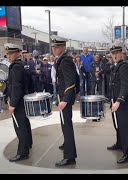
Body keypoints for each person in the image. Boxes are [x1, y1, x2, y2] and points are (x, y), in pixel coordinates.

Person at [51, 35, 77, 166]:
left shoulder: (65, 60)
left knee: (66, 127)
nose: (54, 49)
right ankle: (67, 146)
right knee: (65, 125)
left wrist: (66, 100)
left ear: (63, 47)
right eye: (53, 47)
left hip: (64, 99)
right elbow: (76, 77)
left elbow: (71, 81)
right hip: (62, 97)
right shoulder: (62, 59)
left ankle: (69, 157)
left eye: (56, 47)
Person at [4, 43, 33, 162]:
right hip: (23, 99)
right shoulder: (22, 65)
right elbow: (29, 83)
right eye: (7, 54)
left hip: (18, 101)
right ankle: (28, 144)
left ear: (17, 53)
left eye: (11, 53)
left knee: (20, 128)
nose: (8, 56)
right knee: (25, 124)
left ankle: (22, 153)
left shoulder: (15, 67)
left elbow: (16, 87)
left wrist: (13, 104)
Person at [107, 42, 128, 164]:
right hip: (115, 101)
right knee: (117, 125)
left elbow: (125, 85)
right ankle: (119, 144)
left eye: (116, 53)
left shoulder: (124, 66)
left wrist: (118, 101)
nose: (115, 55)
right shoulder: (115, 66)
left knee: (124, 127)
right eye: (113, 53)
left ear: (121, 54)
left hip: (121, 102)